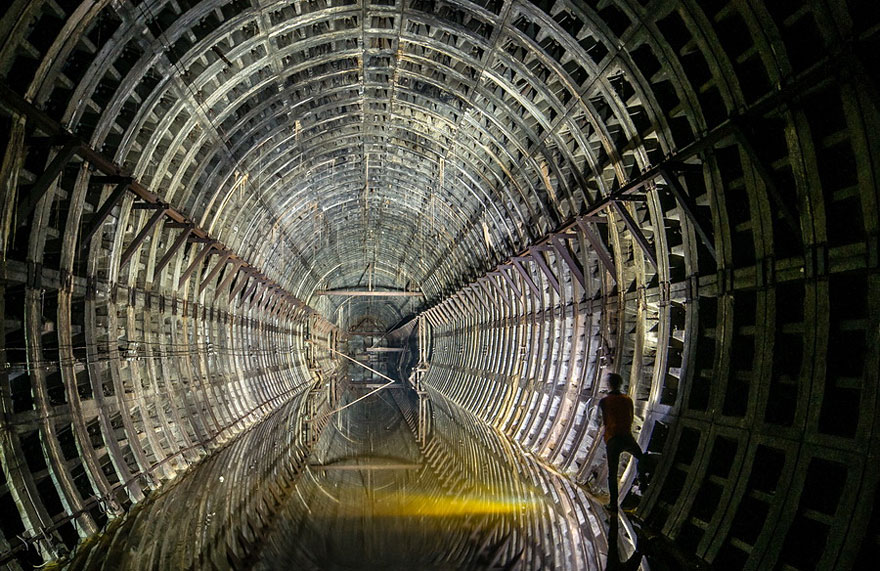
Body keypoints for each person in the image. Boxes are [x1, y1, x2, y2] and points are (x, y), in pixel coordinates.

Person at [599, 372, 644, 512]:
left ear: (609, 385)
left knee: (612, 474)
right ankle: (642, 482)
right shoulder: (628, 399)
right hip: (626, 436)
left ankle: (613, 504)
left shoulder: (604, 401)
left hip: (613, 439)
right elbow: (630, 417)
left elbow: (603, 421)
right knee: (640, 457)